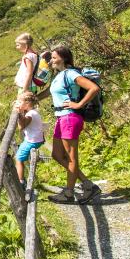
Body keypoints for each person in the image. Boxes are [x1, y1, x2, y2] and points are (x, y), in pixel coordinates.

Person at [37, 46, 101, 204]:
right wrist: (31, 99)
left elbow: (94, 88)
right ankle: (87, 184)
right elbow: (47, 93)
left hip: (70, 117)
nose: (51, 60)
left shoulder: (71, 73)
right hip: (61, 118)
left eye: (54, 57)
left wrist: (78, 104)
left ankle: (69, 193)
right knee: (57, 155)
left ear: (63, 58)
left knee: (71, 158)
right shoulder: (59, 76)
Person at [14, 91, 44, 189]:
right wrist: (21, 113)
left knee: (18, 159)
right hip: (35, 139)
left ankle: (20, 181)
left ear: (27, 104)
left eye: (19, 102)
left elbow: (21, 126)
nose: (18, 103)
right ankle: (21, 180)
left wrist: (18, 113)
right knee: (19, 157)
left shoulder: (30, 114)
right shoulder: (32, 112)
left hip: (32, 141)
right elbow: (21, 125)